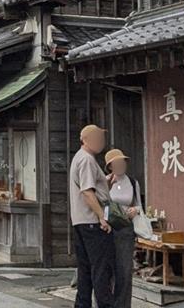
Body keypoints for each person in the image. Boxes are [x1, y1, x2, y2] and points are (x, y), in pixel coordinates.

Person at [70, 124, 115, 308]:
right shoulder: (87, 159)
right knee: (100, 268)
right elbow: (87, 191)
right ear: (86, 140)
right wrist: (101, 217)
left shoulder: (80, 158)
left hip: (81, 221)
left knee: (86, 268)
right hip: (91, 221)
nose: (101, 142)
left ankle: (82, 305)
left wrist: (105, 182)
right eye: (98, 138)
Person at [105, 148, 142, 308]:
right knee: (106, 269)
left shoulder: (133, 182)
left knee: (125, 271)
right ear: (110, 166)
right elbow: (100, 203)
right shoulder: (105, 181)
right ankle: (105, 303)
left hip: (126, 230)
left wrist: (136, 210)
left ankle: (123, 305)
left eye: (122, 162)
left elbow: (139, 205)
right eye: (117, 163)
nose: (121, 165)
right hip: (108, 229)